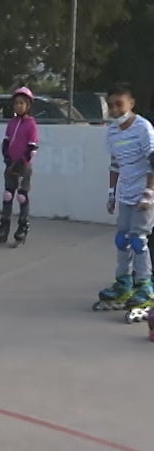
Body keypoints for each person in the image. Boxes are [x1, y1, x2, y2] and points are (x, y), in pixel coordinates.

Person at [92, 83, 154, 333]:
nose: (116, 109)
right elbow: (115, 163)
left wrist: (150, 193)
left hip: (144, 194)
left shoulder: (144, 129)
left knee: (139, 239)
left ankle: (145, 286)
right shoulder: (113, 132)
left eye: (120, 104)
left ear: (132, 103)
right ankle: (124, 282)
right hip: (126, 194)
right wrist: (111, 194)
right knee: (122, 239)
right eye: (112, 105)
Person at [0, 86, 39, 247]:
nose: (18, 106)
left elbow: (32, 148)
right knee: (7, 195)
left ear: (28, 105)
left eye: (22, 103)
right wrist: (6, 157)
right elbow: (6, 142)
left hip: (23, 166)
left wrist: (20, 164)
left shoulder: (31, 124)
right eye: (16, 103)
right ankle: (4, 227)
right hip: (10, 165)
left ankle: (22, 226)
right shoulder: (12, 122)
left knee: (21, 196)